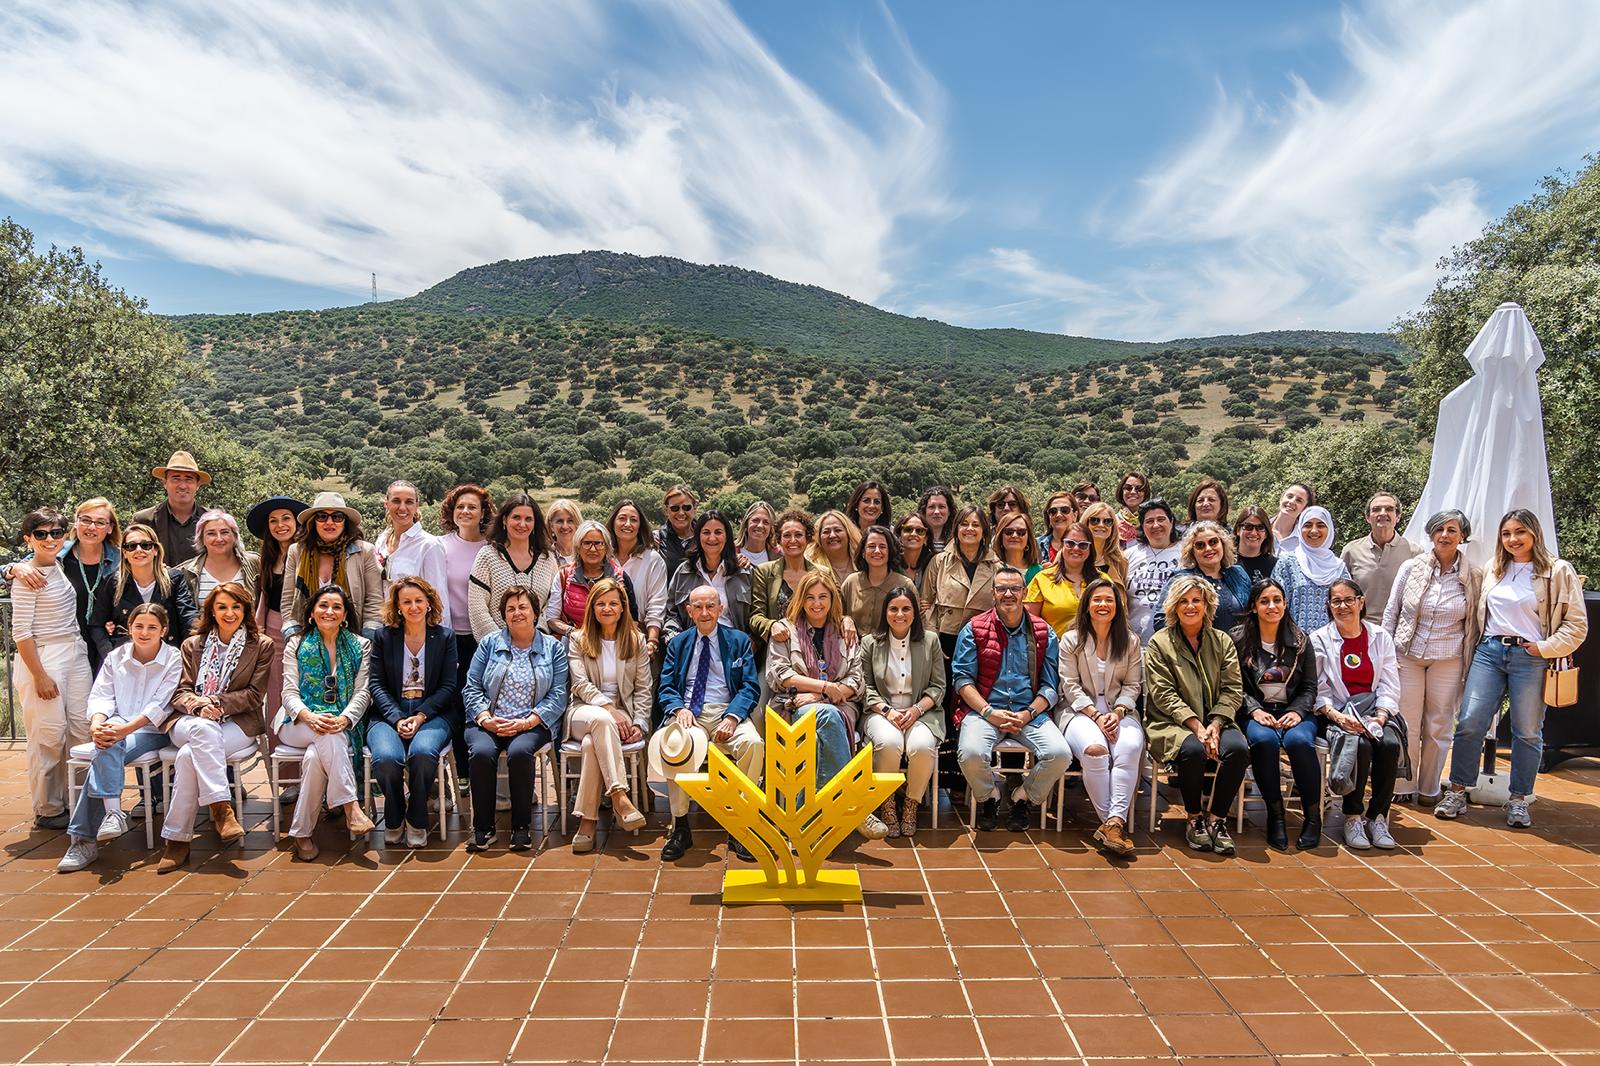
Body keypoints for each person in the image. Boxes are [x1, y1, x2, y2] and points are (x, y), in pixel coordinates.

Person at [1435, 510, 1588, 829]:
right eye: (1506, 533)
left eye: (1520, 532)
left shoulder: (1558, 571)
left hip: (1530, 657)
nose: (1513, 539)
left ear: (1534, 533)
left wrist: (1543, 648)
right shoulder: (1494, 568)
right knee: (1469, 722)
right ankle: (1459, 791)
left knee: (1527, 731)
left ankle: (1519, 798)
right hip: (1489, 651)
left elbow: (1576, 625)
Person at [58, 604, 181, 872]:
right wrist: (97, 726)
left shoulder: (173, 658)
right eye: (138, 626)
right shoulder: (116, 657)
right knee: (106, 745)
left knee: (107, 747)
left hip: (152, 732)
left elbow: (161, 705)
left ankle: (83, 840)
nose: (144, 632)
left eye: (151, 627)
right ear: (130, 627)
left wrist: (121, 731)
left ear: (164, 630)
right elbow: (101, 696)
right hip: (116, 727)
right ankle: (112, 815)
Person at [159, 581, 272, 871]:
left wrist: (218, 704)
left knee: (187, 757)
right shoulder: (191, 645)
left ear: (246, 610)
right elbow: (179, 692)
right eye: (222, 607)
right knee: (203, 729)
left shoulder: (260, 645)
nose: (229, 613)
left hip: (237, 723)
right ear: (211, 610)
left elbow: (254, 696)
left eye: (236, 606)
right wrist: (199, 706)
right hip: (190, 720)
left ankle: (177, 840)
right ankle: (221, 808)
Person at [766, 571, 887, 840]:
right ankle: (851, 804)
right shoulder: (786, 631)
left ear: (833, 599)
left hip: (835, 706)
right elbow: (780, 675)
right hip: (793, 705)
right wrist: (824, 688)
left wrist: (822, 696)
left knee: (825, 723)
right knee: (826, 718)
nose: (816, 603)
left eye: (823, 597)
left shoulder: (846, 632)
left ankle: (800, 824)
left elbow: (856, 680)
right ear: (800, 599)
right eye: (809, 597)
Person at [952, 565, 1069, 833]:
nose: (1008, 594)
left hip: (1028, 712)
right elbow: (962, 681)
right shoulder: (974, 628)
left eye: (1015, 588)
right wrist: (988, 712)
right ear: (993, 593)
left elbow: (1051, 686)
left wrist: (1028, 713)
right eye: (1002, 588)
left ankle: (1022, 798)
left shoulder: (1043, 631)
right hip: (985, 709)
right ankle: (989, 797)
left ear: (1024, 592)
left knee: (1060, 754)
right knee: (970, 753)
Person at [654, 586, 764, 862]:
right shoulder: (678, 644)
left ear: (720, 609)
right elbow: (666, 686)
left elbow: (750, 687)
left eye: (710, 606)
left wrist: (732, 716)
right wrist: (678, 709)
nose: (705, 613)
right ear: (689, 612)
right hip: (689, 712)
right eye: (698, 607)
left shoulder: (738, 641)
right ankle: (680, 826)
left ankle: (741, 824)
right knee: (674, 746)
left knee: (753, 744)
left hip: (727, 711)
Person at [1142, 575, 1247, 856]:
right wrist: (1196, 726)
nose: (1190, 607)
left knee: (1237, 749)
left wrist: (1214, 723)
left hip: (1218, 720)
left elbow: (1232, 689)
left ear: (1207, 605)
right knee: (1192, 749)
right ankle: (1193, 817)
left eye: (1196, 601)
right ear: (1174, 607)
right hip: (1171, 722)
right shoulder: (1159, 643)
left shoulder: (1221, 641)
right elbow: (1163, 694)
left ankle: (1217, 819)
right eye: (1184, 601)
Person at [1382, 509, 1480, 805]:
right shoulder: (1411, 567)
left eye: (1452, 530)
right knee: (1407, 722)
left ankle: (1429, 787)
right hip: (1408, 655)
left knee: (1439, 725)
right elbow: (1392, 611)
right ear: (1430, 534)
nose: (1444, 535)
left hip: (1448, 658)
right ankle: (1402, 785)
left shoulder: (1473, 575)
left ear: (1462, 535)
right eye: (1439, 530)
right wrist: (1386, 655)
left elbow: (1476, 618)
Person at [463, 587, 568, 851]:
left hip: (532, 723)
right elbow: (471, 687)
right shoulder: (489, 644)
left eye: (523, 607)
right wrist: (485, 717)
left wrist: (529, 722)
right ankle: (483, 829)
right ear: (503, 616)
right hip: (489, 721)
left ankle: (521, 828)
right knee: (482, 752)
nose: (517, 613)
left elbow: (558, 694)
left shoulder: (553, 648)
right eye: (510, 609)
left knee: (521, 753)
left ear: (535, 612)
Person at [279, 584, 377, 861]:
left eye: (336, 607)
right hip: (296, 722)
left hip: (340, 724)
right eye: (323, 605)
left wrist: (345, 718)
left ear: (345, 614)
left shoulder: (361, 645)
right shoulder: (296, 644)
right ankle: (351, 807)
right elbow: (288, 692)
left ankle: (301, 833)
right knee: (325, 735)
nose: (329, 611)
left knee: (315, 756)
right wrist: (309, 716)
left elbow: (363, 691)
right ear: (311, 613)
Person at [9, 509, 94, 830]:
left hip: (74, 652)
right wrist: (40, 675)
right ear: (28, 538)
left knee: (80, 728)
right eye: (41, 534)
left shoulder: (57, 563)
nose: (50, 539)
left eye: (56, 533)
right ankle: (48, 807)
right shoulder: (27, 577)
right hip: (44, 658)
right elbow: (22, 633)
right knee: (48, 735)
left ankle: (81, 799)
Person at [1313, 579, 1404, 850]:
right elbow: (1319, 688)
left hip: (1375, 710)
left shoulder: (1379, 636)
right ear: (1329, 606)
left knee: (1389, 744)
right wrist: (1338, 717)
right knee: (1360, 745)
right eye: (1336, 601)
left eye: (1348, 600)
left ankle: (1377, 817)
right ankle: (1353, 816)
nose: (1343, 606)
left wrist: (1381, 715)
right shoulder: (1320, 639)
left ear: (1360, 602)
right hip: (1338, 711)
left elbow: (1390, 682)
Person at [1231, 578, 1322, 852]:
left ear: (1285, 604)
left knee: (1299, 743)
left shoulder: (1300, 639)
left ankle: (1312, 817)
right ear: (1254, 607)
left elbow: (1309, 687)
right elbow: (1234, 685)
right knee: (1264, 742)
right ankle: (1276, 815)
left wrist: (1296, 711)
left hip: (1293, 711)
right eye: (1264, 601)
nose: (1272, 606)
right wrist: (1254, 709)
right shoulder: (1238, 639)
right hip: (1255, 712)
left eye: (1277, 600)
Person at [368, 577, 458, 849]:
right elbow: (376, 684)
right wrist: (396, 718)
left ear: (429, 603)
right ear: (397, 606)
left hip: (432, 712)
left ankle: (417, 816)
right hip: (388, 713)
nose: (414, 606)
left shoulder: (444, 637)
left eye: (419, 600)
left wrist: (420, 716)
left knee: (421, 753)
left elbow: (448, 686)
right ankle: (393, 815)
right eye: (406, 601)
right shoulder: (383, 637)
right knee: (386, 758)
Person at [1057, 579, 1145, 857]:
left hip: (1120, 711)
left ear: (1118, 606)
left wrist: (1117, 713)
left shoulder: (1130, 641)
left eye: (1109, 600)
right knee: (1095, 751)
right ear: (1086, 606)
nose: (1103, 605)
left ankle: (1112, 824)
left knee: (1129, 747)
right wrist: (1096, 715)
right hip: (1078, 711)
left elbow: (1133, 685)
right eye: (1097, 600)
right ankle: (1113, 822)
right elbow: (1069, 685)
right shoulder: (1071, 640)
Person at [565, 578, 650, 852]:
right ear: (592, 608)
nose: (607, 608)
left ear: (623, 607)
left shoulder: (636, 641)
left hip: (621, 712)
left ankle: (587, 824)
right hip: (582, 710)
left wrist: (639, 723)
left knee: (593, 744)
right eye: (601, 603)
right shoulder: (578, 639)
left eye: (613, 603)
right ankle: (619, 795)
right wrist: (608, 709)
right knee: (601, 721)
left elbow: (644, 687)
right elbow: (579, 684)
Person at [860, 587, 946, 838]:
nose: (900, 614)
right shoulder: (870, 643)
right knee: (889, 742)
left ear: (915, 612)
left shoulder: (930, 640)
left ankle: (911, 805)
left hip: (921, 710)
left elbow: (939, 686)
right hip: (881, 710)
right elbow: (864, 687)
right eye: (894, 608)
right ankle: (887, 804)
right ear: (885, 612)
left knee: (921, 745)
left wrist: (917, 709)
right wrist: (887, 711)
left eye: (906, 608)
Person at [7, 499, 123, 673]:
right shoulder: (57, 552)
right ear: (75, 523)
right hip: (67, 649)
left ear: (110, 528)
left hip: (106, 644)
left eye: (100, 522)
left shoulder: (121, 559)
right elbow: (18, 569)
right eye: (85, 520)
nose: (91, 527)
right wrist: (13, 568)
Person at [439, 484, 492, 792]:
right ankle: (461, 771)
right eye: (460, 507)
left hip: (482, 635)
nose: (466, 512)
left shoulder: (491, 548)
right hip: (449, 636)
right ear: (451, 511)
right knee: (456, 701)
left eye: (472, 507)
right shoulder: (439, 545)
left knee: (484, 700)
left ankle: (484, 767)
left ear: (483, 513)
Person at [922, 506, 998, 718]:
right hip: (945, 638)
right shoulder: (939, 561)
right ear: (956, 528)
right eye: (964, 524)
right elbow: (925, 602)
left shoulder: (995, 565)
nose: (969, 529)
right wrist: (932, 638)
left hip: (981, 639)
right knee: (944, 691)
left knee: (977, 691)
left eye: (976, 524)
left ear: (984, 530)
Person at [281, 492, 383, 640]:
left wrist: (367, 639)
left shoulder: (364, 551)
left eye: (337, 517)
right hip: (307, 637)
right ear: (313, 521)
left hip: (353, 637)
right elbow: (288, 599)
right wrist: (293, 636)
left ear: (345, 522)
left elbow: (374, 600)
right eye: (322, 516)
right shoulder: (297, 551)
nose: (329, 522)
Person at [246, 497, 306, 740]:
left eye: (286, 519)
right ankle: (280, 767)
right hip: (273, 630)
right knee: (276, 692)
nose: (280, 525)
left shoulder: (307, 554)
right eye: (273, 521)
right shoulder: (268, 557)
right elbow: (264, 596)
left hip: (304, 628)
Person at [467, 492, 559, 641]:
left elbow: (551, 605)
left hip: (539, 650)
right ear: (504, 520)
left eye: (528, 519)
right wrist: (502, 645)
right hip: (496, 652)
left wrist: (535, 639)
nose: (522, 524)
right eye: (516, 517)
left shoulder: (547, 559)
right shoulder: (488, 556)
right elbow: (477, 608)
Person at [373, 480, 451, 628]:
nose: (402, 507)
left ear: (417, 505)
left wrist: (440, 641)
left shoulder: (429, 545)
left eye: (409, 502)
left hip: (416, 630)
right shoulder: (381, 540)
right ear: (386, 503)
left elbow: (438, 598)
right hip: (384, 628)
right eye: (396, 501)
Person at [662, 510, 752, 638]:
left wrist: (751, 643)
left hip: (734, 648)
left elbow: (756, 614)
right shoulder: (684, 571)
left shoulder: (743, 573)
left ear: (727, 537)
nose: (712, 538)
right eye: (706, 532)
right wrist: (676, 641)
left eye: (718, 532)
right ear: (698, 536)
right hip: (692, 648)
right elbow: (671, 613)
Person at [543, 521, 639, 638]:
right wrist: (573, 633)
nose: (593, 549)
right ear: (578, 547)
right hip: (574, 644)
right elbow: (552, 618)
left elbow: (632, 619)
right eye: (587, 543)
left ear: (606, 548)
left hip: (613, 644)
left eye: (599, 543)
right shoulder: (564, 576)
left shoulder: (620, 578)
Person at [110, 521, 197, 649]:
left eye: (145, 545)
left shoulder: (174, 579)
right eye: (131, 546)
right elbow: (98, 624)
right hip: (125, 657)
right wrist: (108, 652)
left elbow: (187, 614)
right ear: (124, 552)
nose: (138, 550)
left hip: (169, 656)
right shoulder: (114, 582)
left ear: (155, 550)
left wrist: (196, 640)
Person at [749, 510, 820, 661]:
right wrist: (771, 625)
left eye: (798, 535)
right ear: (779, 540)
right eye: (787, 535)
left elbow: (836, 612)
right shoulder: (765, 572)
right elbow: (755, 616)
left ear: (807, 539)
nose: (793, 540)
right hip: (778, 651)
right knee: (761, 685)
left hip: (818, 649)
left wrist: (847, 620)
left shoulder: (822, 573)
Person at [1157, 521, 1252, 633]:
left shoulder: (1238, 574)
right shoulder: (1181, 579)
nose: (1208, 548)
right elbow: (1161, 621)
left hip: (1240, 648)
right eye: (1200, 545)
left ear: (1223, 544)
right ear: (1192, 552)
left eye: (1213, 542)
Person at [1341, 493, 1419, 623]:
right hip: (1361, 630)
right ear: (1367, 517)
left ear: (1398, 516)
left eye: (1389, 509)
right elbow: (1342, 593)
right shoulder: (1351, 551)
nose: (1382, 513)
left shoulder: (1414, 552)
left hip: (1400, 631)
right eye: (1376, 509)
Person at [1271, 506, 1349, 635]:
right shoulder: (1287, 563)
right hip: (1294, 644)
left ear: (1329, 529)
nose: (1314, 530)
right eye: (1307, 525)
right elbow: (1275, 603)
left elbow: (1349, 608)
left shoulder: (1339, 568)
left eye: (1320, 525)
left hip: (1332, 644)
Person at [609, 499, 667, 662]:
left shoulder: (653, 560)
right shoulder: (602, 556)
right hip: (603, 638)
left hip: (641, 636)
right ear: (613, 522)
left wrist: (652, 641)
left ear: (640, 526)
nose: (627, 524)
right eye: (622, 518)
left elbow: (657, 604)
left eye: (633, 520)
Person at [1024, 520, 1100, 638]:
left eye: (1083, 545)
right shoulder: (1043, 579)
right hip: (1053, 653)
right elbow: (1028, 624)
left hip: (1096, 652)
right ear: (1061, 546)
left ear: (1090, 549)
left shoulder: (1103, 581)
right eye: (1070, 543)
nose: (1076, 548)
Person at [131, 450, 209, 565]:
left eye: (188, 479)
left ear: (197, 485)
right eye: (176, 478)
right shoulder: (144, 520)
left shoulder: (210, 520)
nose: (182, 486)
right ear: (165, 483)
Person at [177, 509, 260, 611]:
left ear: (234, 536)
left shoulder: (255, 562)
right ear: (202, 539)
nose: (219, 539)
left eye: (224, 532)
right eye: (211, 534)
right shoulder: (186, 572)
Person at [841, 525, 915, 636]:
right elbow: (835, 615)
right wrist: (846, 619)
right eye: (871, 546)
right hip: (853, 649)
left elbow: (916, 623)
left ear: (890, 552)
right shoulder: (851, 582)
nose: (877, 551)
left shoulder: (905, 584)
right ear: (863, 552)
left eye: (882, 547)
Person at [1124, 500, 1180, 645]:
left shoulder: (1186, 554)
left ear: (1171, 522)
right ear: (1142, 526)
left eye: (1161, 519)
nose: (1156, 525)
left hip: (1174, 643)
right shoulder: (1128, 555)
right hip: (1132, 644)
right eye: (1149, 521)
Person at [1080, 502, 1129, 587]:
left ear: (1112, 527)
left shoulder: (1120, 561)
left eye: (1107, 521)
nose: (1101, 525)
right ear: (1085, 523)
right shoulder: (1071, 553)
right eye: (1094, 520)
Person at [807, 510, 860, 587]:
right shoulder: (810, 565)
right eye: (826, 532)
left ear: (848, 533)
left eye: (838, 530)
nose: (832, 535)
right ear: (819, 537)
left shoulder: (863, 561)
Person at [656, 485, 698, 578]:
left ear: (694, 508)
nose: (681, 513)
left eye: (686, 507)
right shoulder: (656, 540)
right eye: (675, 508)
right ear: (667, 510)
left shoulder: (706, 538)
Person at [991, 510, 1042, 585]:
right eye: (1009, 532)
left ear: (1028, 538)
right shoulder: (992, 568)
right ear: (1000, 536)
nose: (1014, 536)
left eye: (1021, 532)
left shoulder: (1040, 572)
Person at [1232, 505, 1277, 585]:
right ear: (1238, 530)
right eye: (1248, 526)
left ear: (1266, 533)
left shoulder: (1275, 565)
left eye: (1260, 527)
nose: (1253, 533)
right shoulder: (1226, 562)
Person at [1270, 483, 1315, 550]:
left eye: (1299, 500)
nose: (1292, 501)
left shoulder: (1305, 540)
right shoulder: (1259, 529)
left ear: (1305, 509)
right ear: (1281, 499)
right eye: (1290, 496)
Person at [896, 512, 934, 591]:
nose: (913, 534)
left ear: (926, 539)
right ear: (899, 536)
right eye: (908, 529)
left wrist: (931, 603)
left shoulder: (933, 565)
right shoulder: (890, 564)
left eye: (920, 531)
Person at [1038, 492, 1078, 563]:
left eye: (1064, 510)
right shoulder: (1036, 546)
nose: (1058, 515)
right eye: (1053, 511)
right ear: (1048, 518)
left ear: (1075, 515)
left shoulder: (1084, 546)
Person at [916, 486, 958, 555]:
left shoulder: (957, 542)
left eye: (941, 507)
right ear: (924, 511)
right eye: (931, 507)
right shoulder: (914, 537)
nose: (936, 512)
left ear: (949, 511)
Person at [1114, 473, 1151, 548]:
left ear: (1145, 493)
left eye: (1139, 489)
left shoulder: (1151, 522)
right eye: (1128, 488)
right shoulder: (1111, 522)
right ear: (1121, 492)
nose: (1133, 492)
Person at [737, 501, 776, 567]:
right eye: (755, 520)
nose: (760, 525)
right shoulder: (730, 553)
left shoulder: (779, 557)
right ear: (746, 523)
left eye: (766, 522)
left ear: (771, 528)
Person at [546, 498, 583, 569]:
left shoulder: (586, 554)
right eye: (560, 521)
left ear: (577, 524)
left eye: (570, 521)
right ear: (551, 526)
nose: (565, 526)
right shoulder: (545, 557)